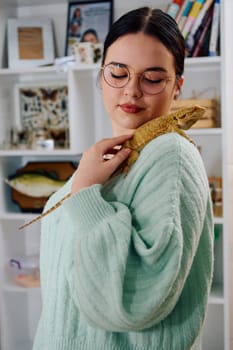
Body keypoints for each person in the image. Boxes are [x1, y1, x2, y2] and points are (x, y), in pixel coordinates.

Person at [33, 7, 214, 350]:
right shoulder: (102, 161)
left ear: (177, 87)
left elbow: (133, 302)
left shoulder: (170, 153)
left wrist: (85, 190)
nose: (132, 91)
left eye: (153, 78)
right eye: (118, 72)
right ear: (101, 76)